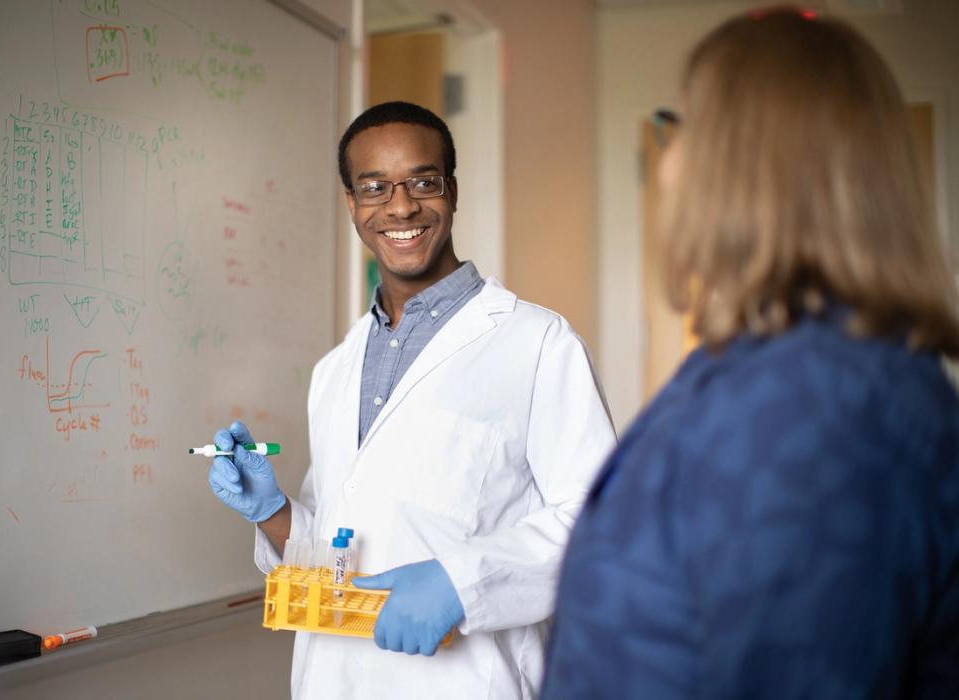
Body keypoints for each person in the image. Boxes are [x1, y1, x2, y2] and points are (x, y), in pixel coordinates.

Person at [542, 7, 959, 698]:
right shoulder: (768, 365)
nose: (669, 165)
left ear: (747, 167)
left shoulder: (820, 407)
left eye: (687, 130)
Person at [208, 101, 616, 698]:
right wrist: (273, 514)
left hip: (470, 681)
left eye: (423, 182)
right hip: (334, 679)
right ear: (352, 204)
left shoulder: (536, 343)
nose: (401, 207)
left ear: (452, 192)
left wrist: (461, 583)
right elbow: (341, 546)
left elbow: (602, 523)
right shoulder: (336, 369)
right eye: (374, 188)